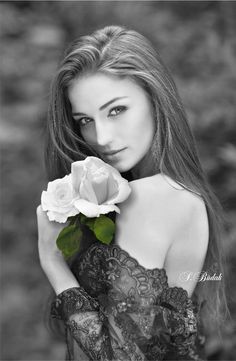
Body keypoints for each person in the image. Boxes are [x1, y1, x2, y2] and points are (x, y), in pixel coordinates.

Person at [36, 25, 229, 361]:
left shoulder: (149, 196)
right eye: (84, 120)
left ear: (155, 98)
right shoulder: (188, 197)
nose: (102, 137)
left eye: (116, 110)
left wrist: (52, 261)